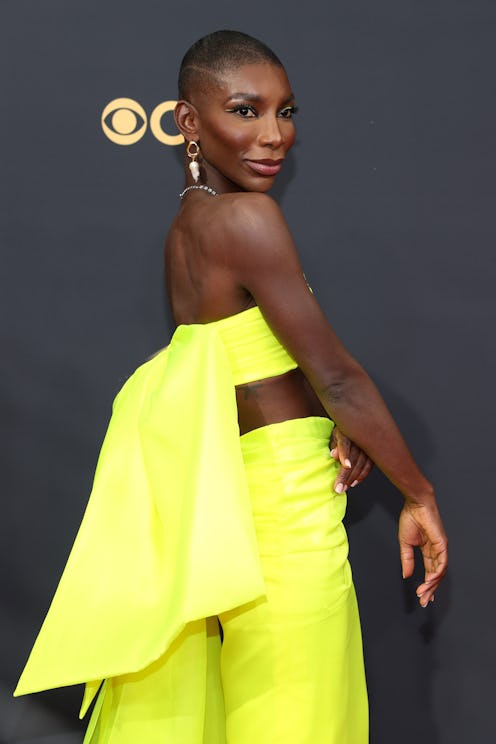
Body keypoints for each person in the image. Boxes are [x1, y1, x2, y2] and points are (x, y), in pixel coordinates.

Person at [14, 30, 448, 744]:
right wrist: (418, 493)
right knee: (298, 715)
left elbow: (257, 370)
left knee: (258, 711)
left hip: (233, 506)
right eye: (246, 111)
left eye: (285, 111)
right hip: (283, 508)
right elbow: (335, 373)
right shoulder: (249, 219)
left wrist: (331, 419)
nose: (274, 135)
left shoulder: (188, 228)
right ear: (189, 121)